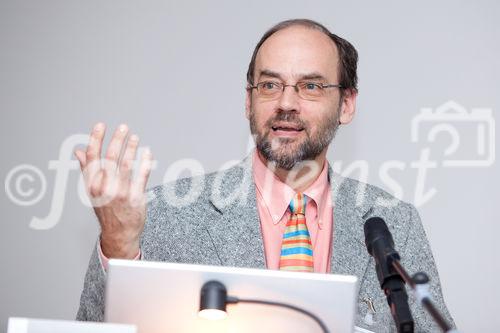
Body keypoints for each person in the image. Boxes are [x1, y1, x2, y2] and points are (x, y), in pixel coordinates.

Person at [75, 19, 455, 331]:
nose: (286, 104)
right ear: (248, 100)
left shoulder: (393, 222)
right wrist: (118, 247)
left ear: (347, 104)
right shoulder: (163, 214)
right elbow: (93, 327)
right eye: (270, 85)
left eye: (310, 86)